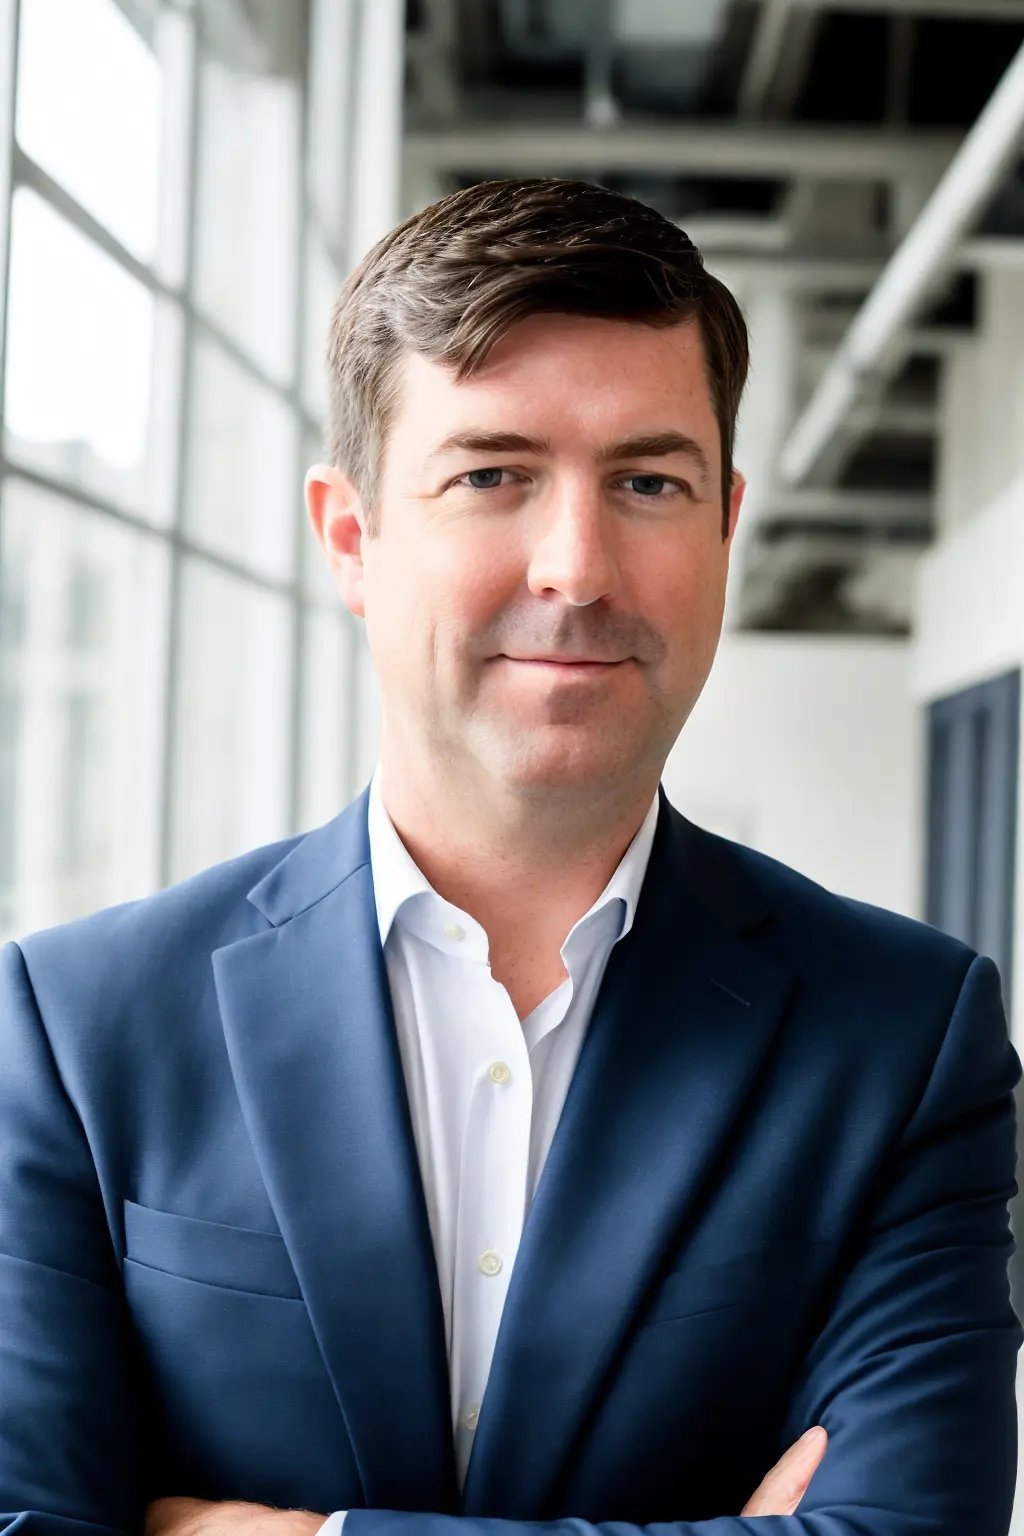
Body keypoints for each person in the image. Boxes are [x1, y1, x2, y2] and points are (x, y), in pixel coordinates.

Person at [0, 178, 1019, 1536]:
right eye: (492, 474)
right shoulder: (76, 1029)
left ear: (725, 527)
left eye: (648, 482)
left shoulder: (902, 1037)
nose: (577, 566)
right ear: (353, 537)